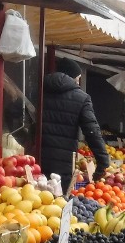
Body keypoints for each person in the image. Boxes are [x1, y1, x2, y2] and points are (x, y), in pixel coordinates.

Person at [42, 57, 110, 192]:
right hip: (63, 164)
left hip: (37, 159)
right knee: (58, 204)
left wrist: (25, 139)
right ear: (71, 76)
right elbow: (92, 132)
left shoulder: (40, 90)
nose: (79, 82)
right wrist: (103, 162)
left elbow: (16, 110)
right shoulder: (82, 98)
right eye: (78, 78)